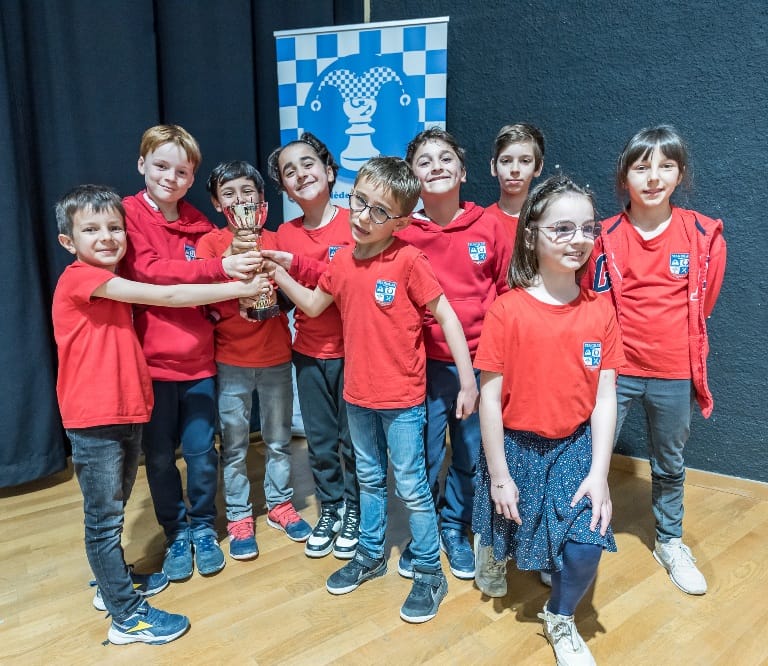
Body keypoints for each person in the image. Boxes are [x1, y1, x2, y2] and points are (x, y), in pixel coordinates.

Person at [52, 185, 269, 644]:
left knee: (114, 507)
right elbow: (164, 295)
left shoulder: (104, 278)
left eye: (114, 228)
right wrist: (239, 285)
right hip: (95, 418)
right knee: (104, 519)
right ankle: (128, 617)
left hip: (125, 411)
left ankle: (113, 587)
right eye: (91, 230)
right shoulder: (80, 278)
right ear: (68, 242)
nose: (107, 237)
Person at [265, 157, 478, 623]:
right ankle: (370, 554)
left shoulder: (408, 259)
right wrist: (278, 272)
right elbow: (314, 303)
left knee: (413, 488)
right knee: (369, 479)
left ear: (401, 221)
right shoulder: (341, 260)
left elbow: (446, 316)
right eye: (360, 202)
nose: (363, 216)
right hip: (356, 398)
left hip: (402, 400)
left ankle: (428, 572)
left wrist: (467, 381)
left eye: (380, 212)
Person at [472, 175, 622, 666]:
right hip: (516, 446)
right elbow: (490, 402)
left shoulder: (601, 312)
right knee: (511, 532)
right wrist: (498, 476)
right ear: (532, 233)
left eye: (587, 228)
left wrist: (600, 474)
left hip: (575, 445)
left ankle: (560, 616)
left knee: (586, 543)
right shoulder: (507, 310)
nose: (578, 238)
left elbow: (604, 396)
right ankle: (493, 551)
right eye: (562, 228)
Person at [583, 125, 726, 596]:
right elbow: (590, 302)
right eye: (641, 166)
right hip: (615, 372)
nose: (653, 177)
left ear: (680, 173)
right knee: (591, 458)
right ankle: (579, 539)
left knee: (670, 461)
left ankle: (669, 541)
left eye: (665, 165)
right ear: (624, 176)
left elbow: (702, 306)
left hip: (673, 372)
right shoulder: (602, 236)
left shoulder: (704, 235)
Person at [120, 125, 262, 581]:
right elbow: (150, 272)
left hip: (200, 363)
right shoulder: (125, 215)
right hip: (150, 365)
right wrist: (219, 269)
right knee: (159, 458)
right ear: (142, 164)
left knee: (203, 454)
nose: (170, 177)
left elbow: (212, 290)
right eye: (160, 166)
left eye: (181, 171)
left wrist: (239, 296)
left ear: (191, 175)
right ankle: (175, 532)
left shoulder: (201, 224)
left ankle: (203, 527)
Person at [397, 127, 511, 580]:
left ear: (463, 171)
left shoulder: (489, 226)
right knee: (421, 456)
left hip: (478, 368)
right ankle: (422, 535)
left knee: (470, 454)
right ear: (412, 178)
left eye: (446, 158)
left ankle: (454, 527)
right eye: (424, 162)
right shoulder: (403, 233)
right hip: (422, 367)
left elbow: (505, 293)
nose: (436, 167)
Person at [197, 160, 309, 556]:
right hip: (231, 360)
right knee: (235, 444)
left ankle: (280, 504)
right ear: (215, 202)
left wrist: (273, 296)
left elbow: (294, 294)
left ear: (262, 200)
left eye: (247, 192)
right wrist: (235, 294)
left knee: (279, 441)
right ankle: (240, 516)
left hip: (277, 355)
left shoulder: (278, 239)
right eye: (228, 194)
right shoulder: (210, 245)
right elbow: (201, 298)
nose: (239, 199)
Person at [265, 132, 359, 559]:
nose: (300, 174)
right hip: (307, 355)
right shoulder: (283, 234)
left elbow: (341, 285)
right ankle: (332, 509)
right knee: (320, 444)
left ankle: (356, 510)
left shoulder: (355, 222)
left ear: (330, 171)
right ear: (284, 188)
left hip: (355, 354)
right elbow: (282, 295)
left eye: (308, 164)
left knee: (352, 444)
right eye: (289, 171)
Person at [485, 123, 545, 243]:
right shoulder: (481, 222)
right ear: (493, 167)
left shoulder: (547, 222)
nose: (515, 170)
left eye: (525, 161)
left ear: (538, 167)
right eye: (506, 161)